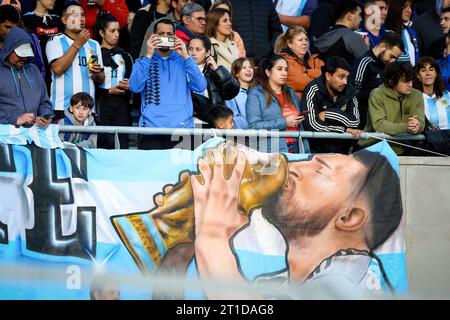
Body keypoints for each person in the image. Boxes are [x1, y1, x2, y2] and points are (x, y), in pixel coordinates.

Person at [189, 146, 402, 299]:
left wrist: (214, 233)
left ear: (349, 218)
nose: (293, 167)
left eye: (320, 170)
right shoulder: (274, 285)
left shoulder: (350, 284)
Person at [129, 18, 207, 150]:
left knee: (183, 171)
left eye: (169, 34)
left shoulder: (185, 60)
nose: (165, 37)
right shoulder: (143, 61)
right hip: (152, 129)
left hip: (182, 130)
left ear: (175, 37)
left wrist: (187, 56)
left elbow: (200, 86)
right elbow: (135, 87)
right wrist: (148, 55)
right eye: (161, 34)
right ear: (152, 36)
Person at [46, 2, 104, 119]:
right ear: (64, 20)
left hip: (87, 109)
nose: (80, 19)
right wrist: (77, 43)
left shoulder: (94, 44)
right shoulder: (55, 41)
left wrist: (97, 73)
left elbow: (101, 79)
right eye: (75, 15)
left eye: (82, 15)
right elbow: (57, 69)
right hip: (62, 108)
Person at [246, 55, 309, 154]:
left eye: (286, 69)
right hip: (273, 150)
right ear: (268, 72)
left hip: (298, 146)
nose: (284, 73)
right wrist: (284, 122)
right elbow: (253, 126)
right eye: (279, 69)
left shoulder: (290, 91)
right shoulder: (255, 93)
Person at [359, 61, 425, 155]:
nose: (410, 84)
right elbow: (379, 125)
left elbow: (421, 120)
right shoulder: (377, 94)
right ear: (392, 81)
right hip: (375, 148)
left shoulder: (417, 95)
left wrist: (417, 125)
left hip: (405, 148)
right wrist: (406, 126)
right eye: (405, 81)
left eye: (410, 80)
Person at [301, 56, 362, 154]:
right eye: (341, 77)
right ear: (328, 76)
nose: (345, 82)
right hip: (317, 153)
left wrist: (328, 114)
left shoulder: (350, 91)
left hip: (343, 153)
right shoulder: (312, 90)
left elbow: (355, 122)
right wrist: (343, 129)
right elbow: (311, 125)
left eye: (347, 77)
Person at [94, 12, 133, 149]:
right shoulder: (93, 52)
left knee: (122, 144)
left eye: (118, 30)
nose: (117, 34)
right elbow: (88, 82)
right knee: (103, 144)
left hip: (121, 104)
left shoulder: (125, 55)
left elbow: (131, 80)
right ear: (101, 32)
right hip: (101, 103)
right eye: (112, 31)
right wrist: (107, 91)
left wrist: (129, 86)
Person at [0, 26, 53, 127]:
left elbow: (44, 102)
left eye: (26, 54)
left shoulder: (34, 70)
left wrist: (46, 116)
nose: (24, 58)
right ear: (9, 49)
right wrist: (15, 119)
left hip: (33, 132)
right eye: (20, 54)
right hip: (5, 135)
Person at [350, 33, 404, 129]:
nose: (393, 61)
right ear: (382, 46)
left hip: (380, 121)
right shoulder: (365, 62)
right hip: (361, 123)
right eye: (391, 56)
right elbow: (352, 93)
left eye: (396, 58)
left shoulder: (388, 67)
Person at [188, 35, 239, 124]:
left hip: (212, 122)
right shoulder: (181, 69)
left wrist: (217, 70)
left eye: (198, 49)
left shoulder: (214, 70)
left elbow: (231, 92)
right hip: (189, 120)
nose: (193, 53)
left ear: (207, 52)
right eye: (190, 49)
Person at [22, 0, 64, 92]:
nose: (54, 0)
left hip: (58, 69)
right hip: (38, 69)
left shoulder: (58, 19)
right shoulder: (27, 19)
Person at [274, 25, 324, 100]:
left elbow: (327, 77)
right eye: (300, 40)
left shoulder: (315, 59)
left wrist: (308, 72)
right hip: (295, 105)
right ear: (289, 44)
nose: (304, 43)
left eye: (306, 39)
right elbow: (302, 83)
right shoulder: (284, 61)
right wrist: (317, 76)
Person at [314, 0, 368, 65]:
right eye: (359, 14)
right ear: (349, 16)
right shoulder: (352, 37)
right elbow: (368, 65)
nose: (361, 19)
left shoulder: (322, 35)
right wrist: (366, 47)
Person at [228, 0, 282, 64]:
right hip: (237, 62)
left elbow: (276, 30)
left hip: (264, 61)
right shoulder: (228, 2)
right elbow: (219, 27)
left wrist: (270, 49)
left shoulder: (267, 2)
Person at [414, 56, 450, 130]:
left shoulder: (447, 95)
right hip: (429, 140)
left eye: (431, 70)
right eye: (423, 70)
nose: (428, 73)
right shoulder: (413, 98)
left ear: (436, 73)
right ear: (418, 75)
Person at [384, 0, 420, 66]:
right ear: (395, 8)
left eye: (410, 7)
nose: (409, 10)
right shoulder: (385, 33)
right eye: (405, 6)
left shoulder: (411, 32)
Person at [225, 57, 256, 129]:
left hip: (261, 134)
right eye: (244, 68)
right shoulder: (231, 93)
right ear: (236, 73)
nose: (248, 70)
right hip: (242, 136)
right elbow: (233, 118)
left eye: (250, 67)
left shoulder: (258, 91)